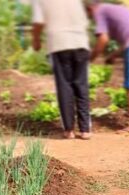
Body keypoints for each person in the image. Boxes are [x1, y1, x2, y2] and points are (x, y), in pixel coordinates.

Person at [86, 0, 129, 133]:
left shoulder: (99, 10)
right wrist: (113, 55)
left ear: (90, 8)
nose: (91, 18)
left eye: (88, 14)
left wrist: (91, 58)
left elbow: (103, 39)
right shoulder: (116, 8)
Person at [31, 0, 92, 140]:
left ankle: (69, 130)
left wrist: (36, 40)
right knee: (81, 85)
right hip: (80, 42)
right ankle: (85, 130)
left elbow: (38, 22)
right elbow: (83, 18)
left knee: (64, 86)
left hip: (59, 43)